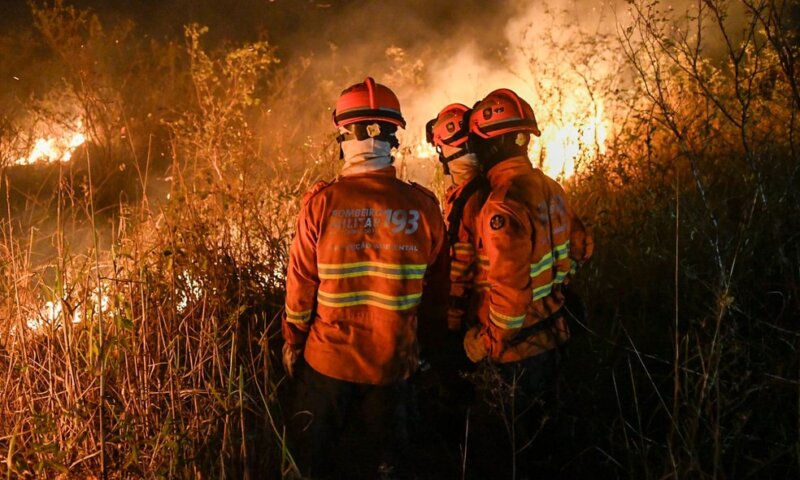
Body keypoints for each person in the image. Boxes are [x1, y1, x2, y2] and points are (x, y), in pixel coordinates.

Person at [281, 77, 449, 479]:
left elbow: (300, 286)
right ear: (394, 137)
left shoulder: (322, 204)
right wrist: (426, 350)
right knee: (388, 468)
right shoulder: (423, 207)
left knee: (314, 466)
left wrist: (293, 342)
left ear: (342, 136)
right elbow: (437, 296)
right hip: (394, 366)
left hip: (326, 365)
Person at [461, 88, 594, 478]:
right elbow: (579, 250)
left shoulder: (501, 205)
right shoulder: (551, 187)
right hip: (556, 334)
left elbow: (509, 292)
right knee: (551, 440)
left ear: (494, 143)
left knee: (514, 453)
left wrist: (485, 342)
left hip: (519, 353)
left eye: (479, 143)